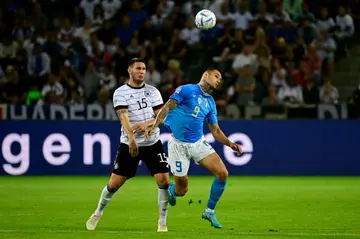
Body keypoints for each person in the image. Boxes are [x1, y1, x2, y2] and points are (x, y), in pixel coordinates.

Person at [145, 68, 242, 228]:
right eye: (216, 76)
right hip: (178, 145)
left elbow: (215, 131)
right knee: (182, 190)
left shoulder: (210, 102)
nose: (219, 80)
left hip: (198, 143)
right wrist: (155, 126)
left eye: (220, 79)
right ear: (205, 74)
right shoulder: (186, 90)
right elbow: (167, 107)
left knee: (223, 173)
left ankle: (209, 211)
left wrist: (230, 144)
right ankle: (172, 189)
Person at [86, 58, 170, 232]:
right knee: (114, 184)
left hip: (153, 142)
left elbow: (161, 117)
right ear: (130, 71)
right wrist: (132, 139)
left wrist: (148, 125)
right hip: (129, 144)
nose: (141, 71)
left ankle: (162, 222)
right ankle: (98, 212)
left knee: (163, 181)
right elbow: (124, 117)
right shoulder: (120, 93)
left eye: (144, 69)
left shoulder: (153, 91)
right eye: (138, 68)